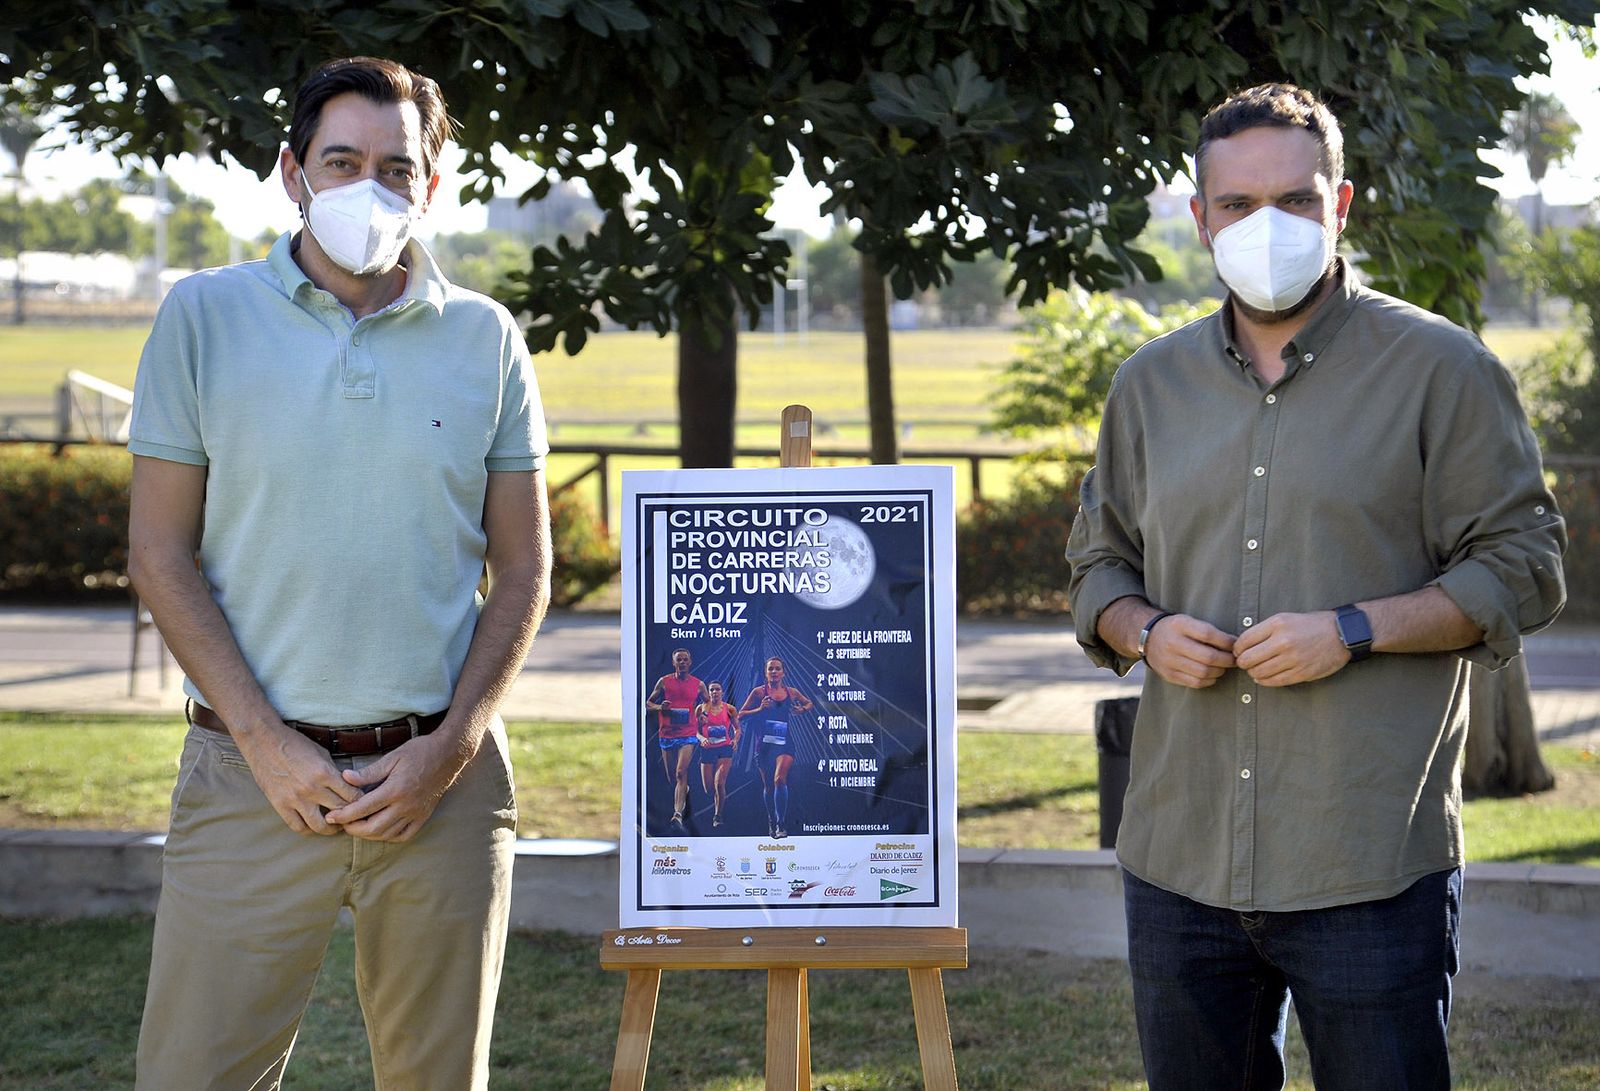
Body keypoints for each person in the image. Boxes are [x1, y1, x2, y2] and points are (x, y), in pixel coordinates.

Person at [1066, 82, 1566, 1090]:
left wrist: (1353, 629)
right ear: (1200, 217)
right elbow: (1098, 564)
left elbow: (1524, 566)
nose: (1268, 225)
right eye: (1239, 203)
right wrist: (1143, 628)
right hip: (1178, 858)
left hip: (1366, 859)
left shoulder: (1442, 368)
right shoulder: (1148, 384)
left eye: (1295, 199)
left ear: (1338, 205)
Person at [127, 56, 552, 1090]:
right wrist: (267, 745)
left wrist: (450, 749)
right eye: (343, 161)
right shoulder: (202, 316)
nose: (371, 186)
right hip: (249, 773)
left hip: (439, 786)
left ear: (431, 185)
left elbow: (525, 567)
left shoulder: (487, 337)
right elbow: (159, 554)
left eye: (397, 167)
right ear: (294, 172)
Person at [740, 656, 814, 839]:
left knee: (779, 779)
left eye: (777, 668)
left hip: (784, 744)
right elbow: (740, 715)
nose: (774, 671)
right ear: (766, 673)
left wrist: (802, 710)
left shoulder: (791, 692)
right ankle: (771, 819)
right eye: (770, 669)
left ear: (783, 672)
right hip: (764, 745)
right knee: (768, 786)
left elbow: (809, 703)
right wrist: (759, 709)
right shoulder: (758, 693)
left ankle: (781, 823)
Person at [644, 648, 707, 831]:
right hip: (667, 734)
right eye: (679, 659)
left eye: (685, 659)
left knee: (681, 772)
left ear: (690, 662)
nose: (682, 662)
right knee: (673, 777)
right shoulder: (664, 681)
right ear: (674, 663)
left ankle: (677, 814)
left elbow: (708, 703)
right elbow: (648, 703)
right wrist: (659, 707)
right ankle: (683, 789)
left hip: (688, 733)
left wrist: (702, 714)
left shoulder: (698, 684)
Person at [695, 681, 741, 827]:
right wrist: (702, 739)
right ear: (708, 692)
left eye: (717, 689)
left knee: (719, 783)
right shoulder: (701, 709)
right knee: (709, 789)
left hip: (724, 749)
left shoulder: (730, 709)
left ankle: (718, 815)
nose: (715, 692)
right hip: (707, 749)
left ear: (722, 692)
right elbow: (695, 731)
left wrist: (735, 740)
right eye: (712, 690)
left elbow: (737, 729)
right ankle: (717, 803)